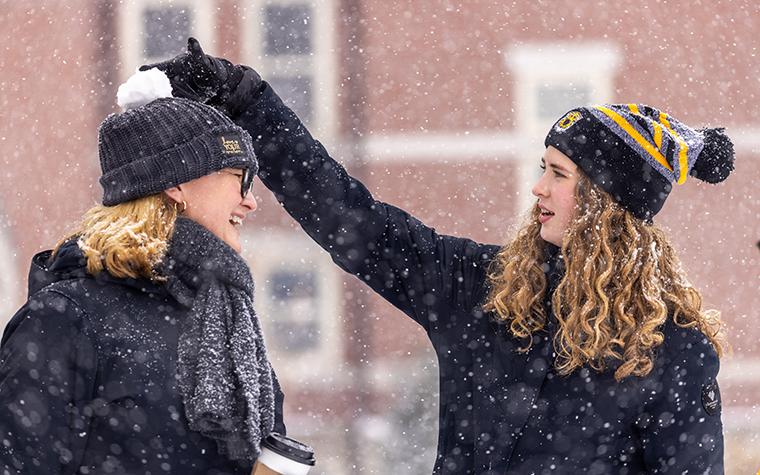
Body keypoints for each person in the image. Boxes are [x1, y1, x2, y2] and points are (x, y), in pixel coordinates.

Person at [146, 39, 734, 474]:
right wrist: (248, 102)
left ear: (604, 202)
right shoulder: (486, 290)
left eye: (557, 175)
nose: (538, 189)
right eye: (541, 170)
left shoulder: (673, 346)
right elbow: (354, 221)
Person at [0, 68, 286, 474]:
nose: (251, 201)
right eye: (238, 178)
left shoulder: (227, 315)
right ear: (176, 185)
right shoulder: (65, 318)